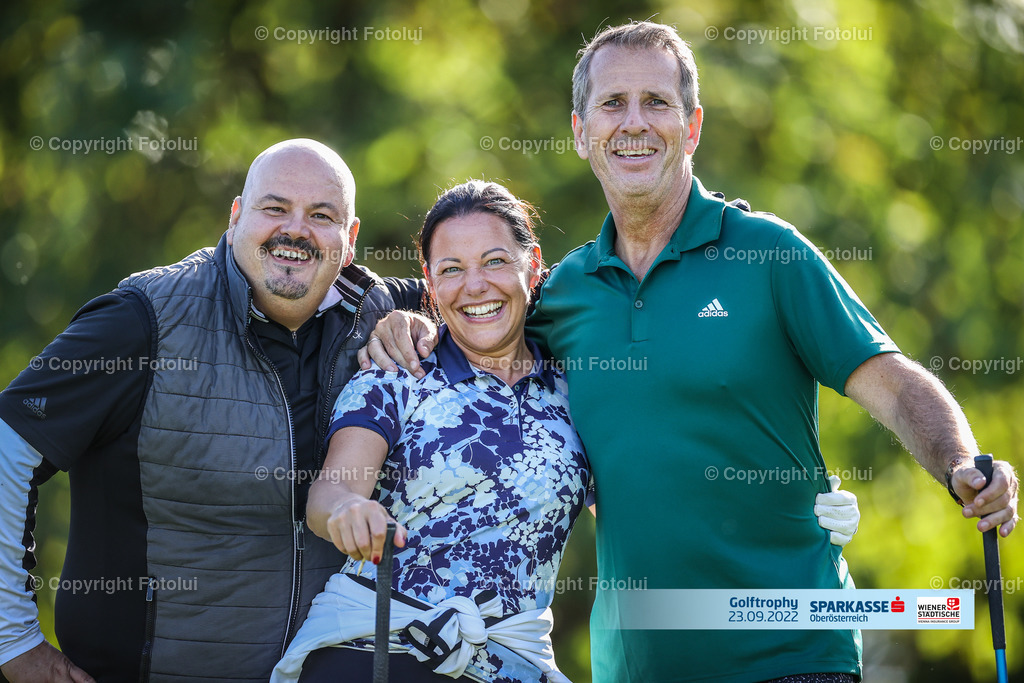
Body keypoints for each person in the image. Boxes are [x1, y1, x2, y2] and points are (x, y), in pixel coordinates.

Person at [360, 22, 1019, 683]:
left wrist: (960, 461)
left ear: (693, 125)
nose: (634, 123)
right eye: (613, 104)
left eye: (657, 102)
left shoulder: (769, 254)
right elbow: (478, 308)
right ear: (581, 132)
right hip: (633, 665)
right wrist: (403, 322)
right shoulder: (565, 293)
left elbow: (895, 386)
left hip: (790, 656)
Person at [0, 139, 421, 681]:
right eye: (274, 208)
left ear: (350, 238)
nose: (295, 230)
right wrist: (12, 642)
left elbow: (506, 294)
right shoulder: (143, 321)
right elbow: (8, 445)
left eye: (322, 215)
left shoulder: (384, 317)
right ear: (236, 216)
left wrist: (423, 323)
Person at [271, 180, 586, 683]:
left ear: (533, 263)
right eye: (452, 270)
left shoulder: (575, 390)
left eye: (495, 261)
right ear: (429, 282)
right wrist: (348, 511)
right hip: (379, 651)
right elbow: (329, 492)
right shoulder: (395, 373)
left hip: (516, 664)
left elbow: (630, 513)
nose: (475, 285)